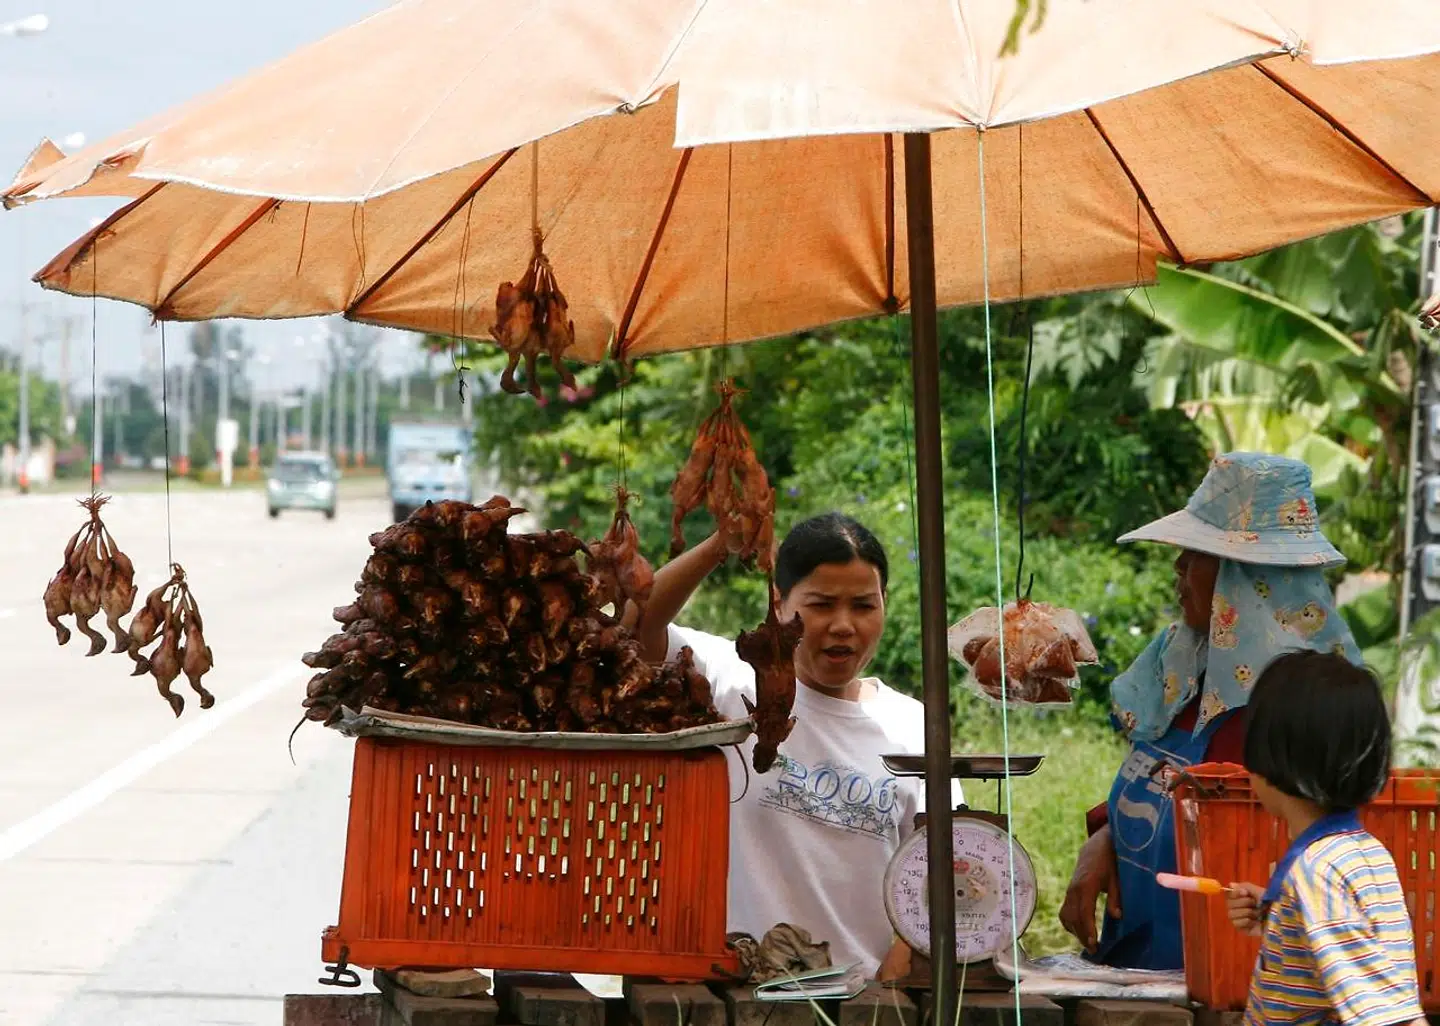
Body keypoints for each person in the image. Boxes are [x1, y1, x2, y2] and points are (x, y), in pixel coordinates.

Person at [1059, 452, 1361, 970]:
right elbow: (1156, 779)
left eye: (1196, 554)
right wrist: (1104, 838)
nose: (1177, 567)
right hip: (1138, 965)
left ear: (1246, 576)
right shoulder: (1180, 660)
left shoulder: (1306, 707)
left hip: (1232, 984)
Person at [634, 513, 954, 979]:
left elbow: (937, 872)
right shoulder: (729, 675)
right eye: (822, 604)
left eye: (864, 605)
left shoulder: (912, 724)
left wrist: (887, 990)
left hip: (862, 1002)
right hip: (734, 996)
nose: (844, 625)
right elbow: (635, 625)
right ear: (780, 602)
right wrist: (718, 545)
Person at [1225, 652, 1427, 1026]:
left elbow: (1387, 1016)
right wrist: (1280, 922)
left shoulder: (1317, 875)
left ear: (1271, 754)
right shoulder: (1363, 853)